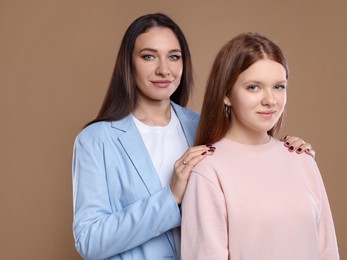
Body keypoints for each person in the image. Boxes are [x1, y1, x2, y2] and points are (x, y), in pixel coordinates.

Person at [72, 13, 315, 260]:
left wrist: (285, 149)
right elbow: (89, 240)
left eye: (174, 57)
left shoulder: (201, 126)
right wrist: (170, 198)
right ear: (128, 63)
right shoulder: (96, 140)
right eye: (148, 56)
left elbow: (251, 149)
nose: (164, 69)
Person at [181, 32, 339, 259]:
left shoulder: (302, 159)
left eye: (279, 87)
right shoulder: (208, 170)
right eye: (254, 87)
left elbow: (327, 250)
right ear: (226, 94)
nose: (270, 100)